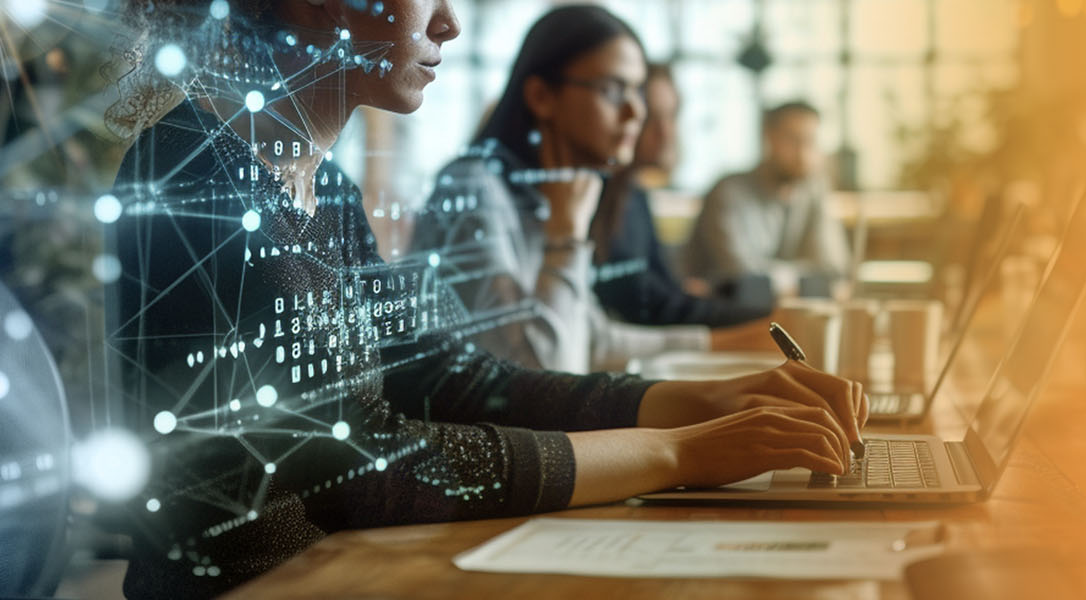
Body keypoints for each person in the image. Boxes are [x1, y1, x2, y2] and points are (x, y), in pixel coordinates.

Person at [107, 1, 863, 596]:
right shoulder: (197, 178)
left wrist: (700, 401)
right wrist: (679, 452)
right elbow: (363, 470)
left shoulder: (323, 188)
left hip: (345, 572)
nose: (449, 22)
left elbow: (440, 378)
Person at [412, 6, 764, 373]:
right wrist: (565, 240)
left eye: (637, 90)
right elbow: (536, 374)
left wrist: (743, 339)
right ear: (541, 96)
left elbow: (593, 339)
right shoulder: (473, 189)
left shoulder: (548, 193)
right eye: (612, 89)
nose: (635, 112)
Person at [590, 63, 779, 328]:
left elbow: (667, 291)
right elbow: (650, 306)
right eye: (651, 117)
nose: (666, 132)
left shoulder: (634, 193)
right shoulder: (601, 196)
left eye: (671, 116)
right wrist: (767, 318)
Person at [679, 101, 851, 288]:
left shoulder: (813, 190)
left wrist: (781, 277)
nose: (803, 153)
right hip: (720, 313)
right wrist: (805, 279)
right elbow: (741, 275)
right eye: (792, 140)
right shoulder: (728, 192)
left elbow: (833, 269)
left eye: (811, 141)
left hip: (780, 313)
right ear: (768, 137)